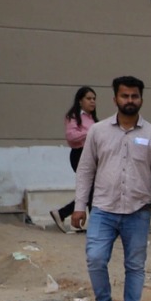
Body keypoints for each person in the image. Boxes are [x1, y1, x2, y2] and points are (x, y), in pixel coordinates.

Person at [68, 74, 151, 301]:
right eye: (125, 96)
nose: (130, 100)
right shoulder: (97, 132)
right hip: (103, 208)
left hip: (138, 210)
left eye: (134, 96)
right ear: (115, 99)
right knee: (95, 258)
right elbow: (86, 169)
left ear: (141, 100)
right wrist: (80, 205)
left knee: (135, 265)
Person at [57, 85, 95, 228]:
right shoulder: (74, 117)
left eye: (94, 99)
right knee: (91, 188)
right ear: (80, 101)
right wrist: (91, 132)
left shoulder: (92, 119)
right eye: (88, 98)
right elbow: (71, 136)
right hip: (79, 154)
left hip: (92, 155)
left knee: (93, 189)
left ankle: (61, 213)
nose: (92, 102)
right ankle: (94, 223)